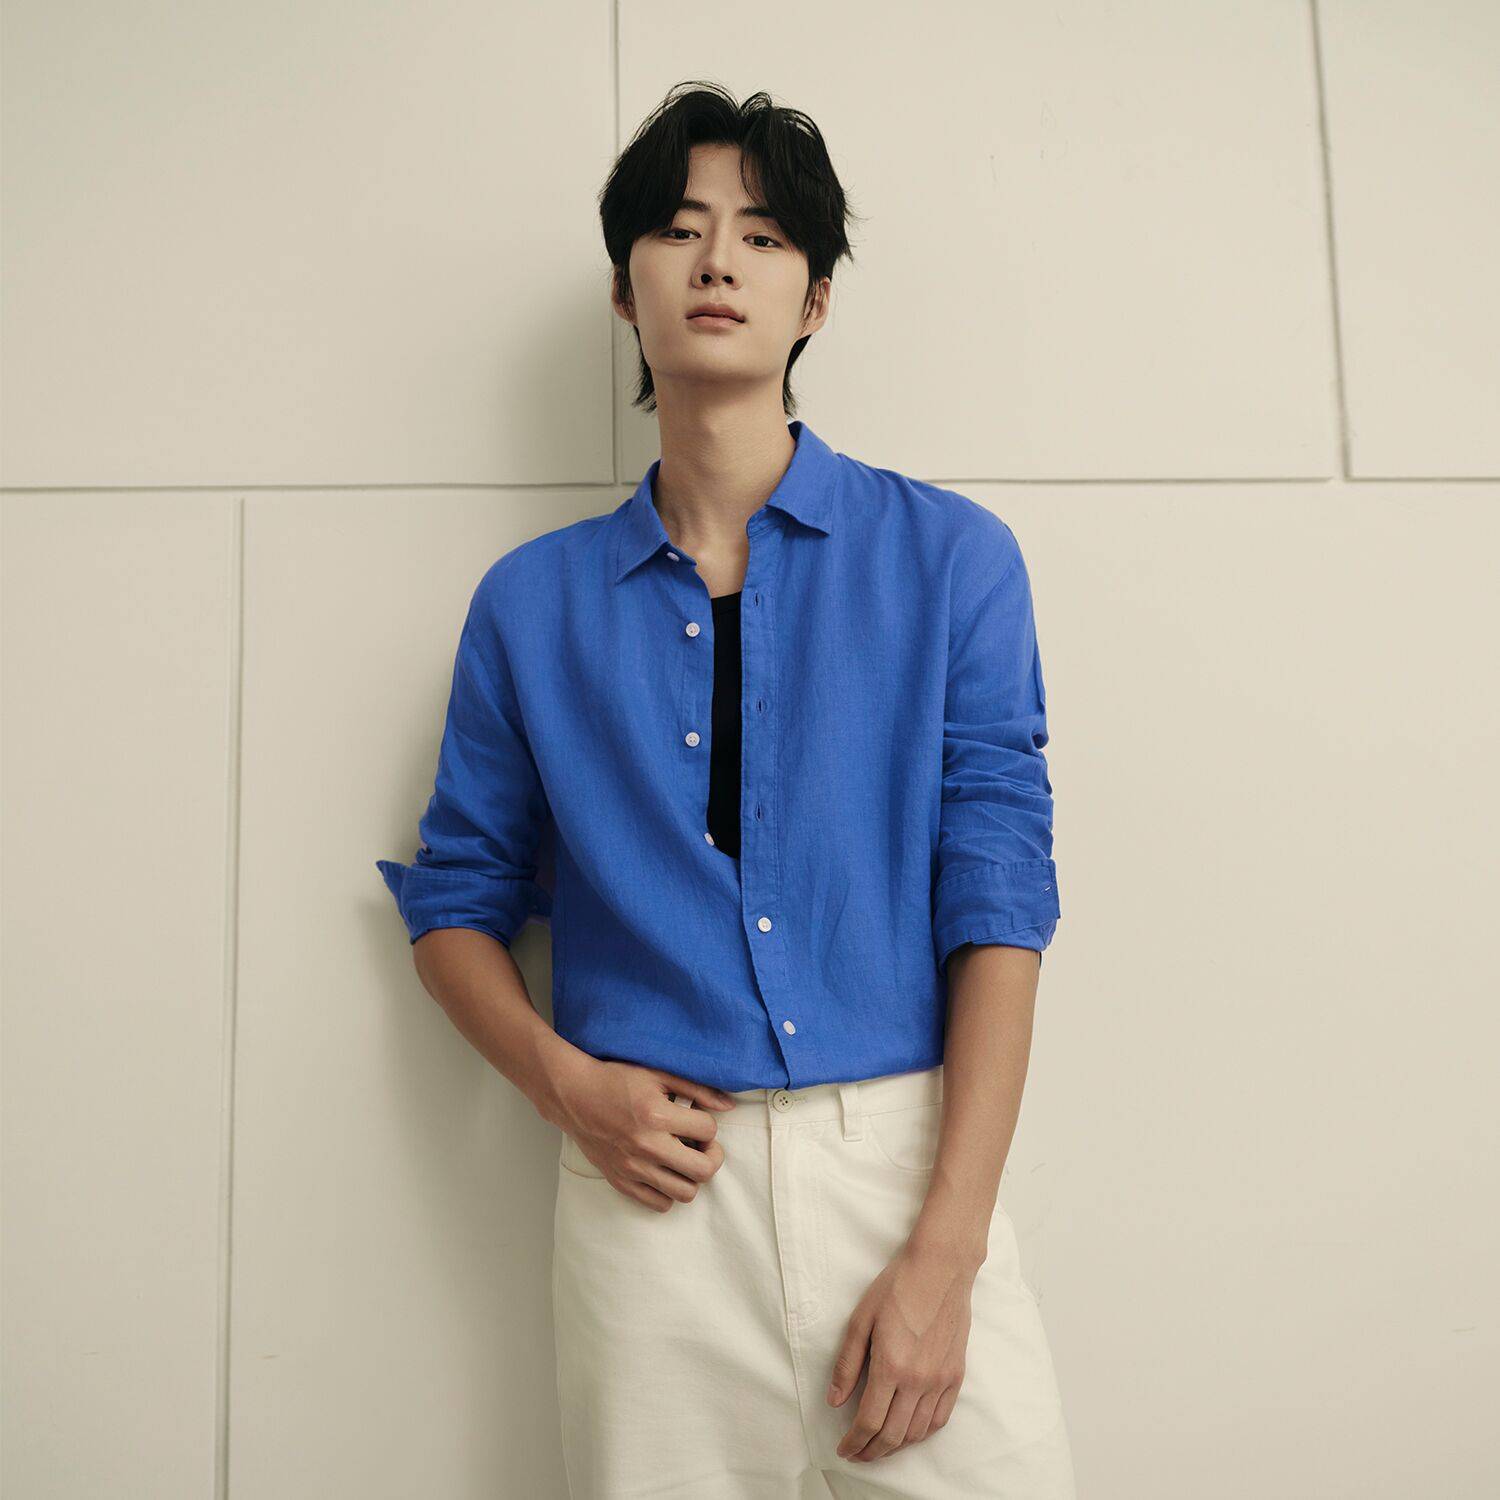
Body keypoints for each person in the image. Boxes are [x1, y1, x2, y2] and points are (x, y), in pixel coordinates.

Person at [377, 81, 1075, 1499]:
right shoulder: (530, 607)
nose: (715, 262)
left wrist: (947, 1251)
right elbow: (455, 904)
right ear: (624, 289)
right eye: (679, 229)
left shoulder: (952, 560)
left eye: (760, 236)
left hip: (903, 1172)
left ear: (813, 300)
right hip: (649, 1214)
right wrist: (568, 1089)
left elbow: (1000, 903)